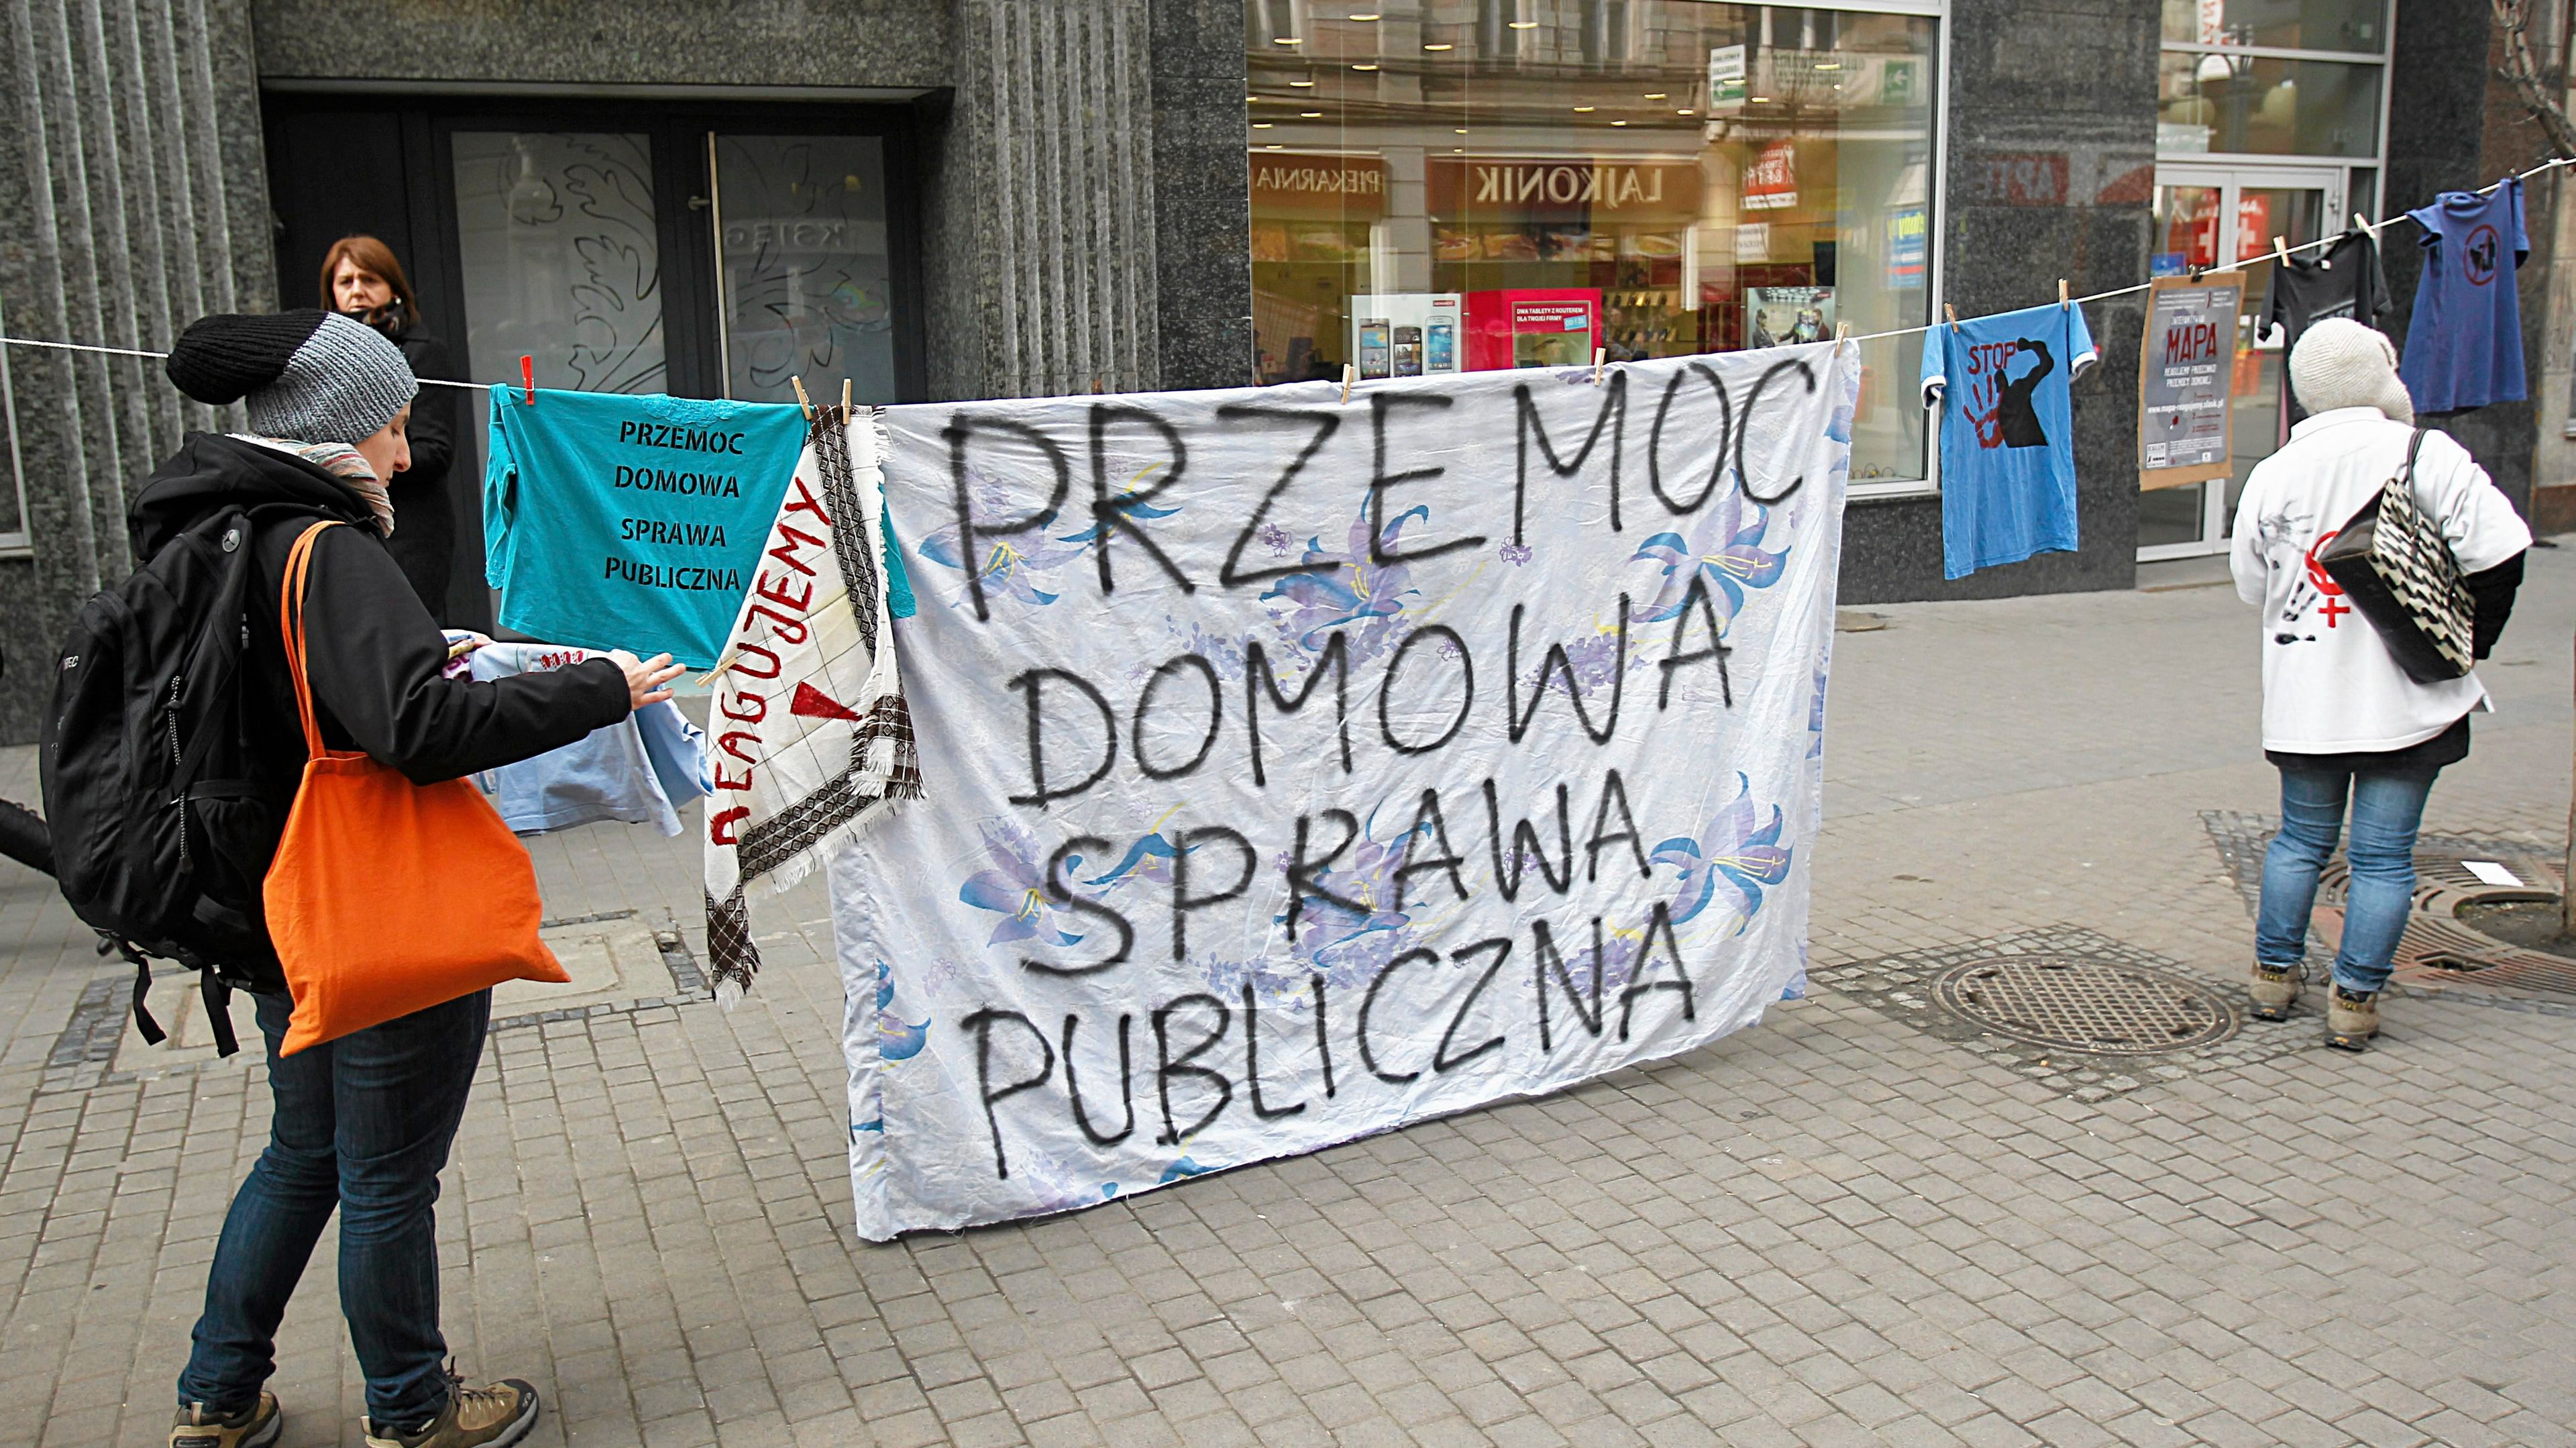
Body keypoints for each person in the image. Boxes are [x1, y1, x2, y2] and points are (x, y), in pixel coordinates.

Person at [150, 309, 685, 1448]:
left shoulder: (223, 526)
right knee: (388, 1175)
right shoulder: (331, 548)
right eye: (393, 427)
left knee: (305, 1151)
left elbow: (322, 699)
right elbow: (416, 728)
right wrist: (600, 687)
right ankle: (411, 1406)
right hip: (373, 904)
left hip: (277, 899)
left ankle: (217, 1392)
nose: (404, 454)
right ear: (340, 426)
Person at [2229, 317, 2530, 1051]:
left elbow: (2251, 585)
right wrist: (2468, 642)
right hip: (2409, 697)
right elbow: (2501, 551)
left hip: (2306, 696)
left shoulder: (2273, 473)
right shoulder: (2427, 455)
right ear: (2378, 376)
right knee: (2384, 857)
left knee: (2300, 840)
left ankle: (2273, 977)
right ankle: (2354, 1001)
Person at [322, 236, 466, 623]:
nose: (357, 291)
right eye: (346, 281)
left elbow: (435, 452)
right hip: (342, 525)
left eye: (369, 279)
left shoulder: (422, 351)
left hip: (409, 528)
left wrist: (353, 461)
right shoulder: (322, 357)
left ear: (393, 288)